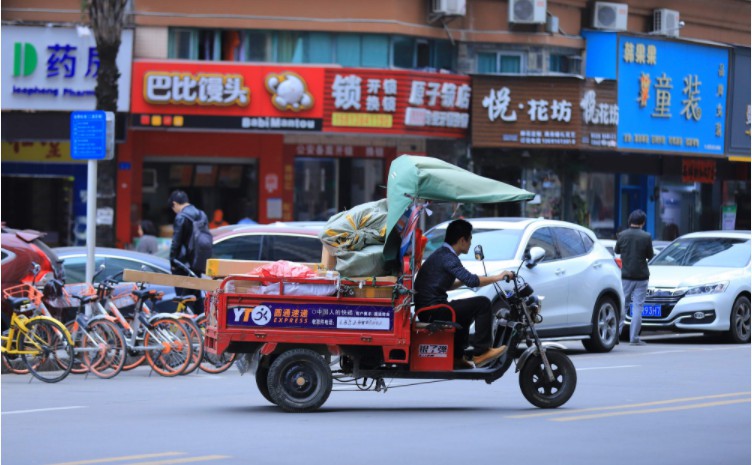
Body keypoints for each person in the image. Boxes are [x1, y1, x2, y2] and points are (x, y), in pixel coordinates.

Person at [413, 219, 515, 369]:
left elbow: (448, 285)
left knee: (465, 313)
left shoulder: (442, 254)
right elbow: (472, 281)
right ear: (462, 240)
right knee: (482, 303)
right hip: (433, 311)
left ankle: (456, 358)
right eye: (470, 239)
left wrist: (465, 280)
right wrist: (498, 277)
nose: (470, 243)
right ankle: (482, 352)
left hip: (431, 309)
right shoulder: (448, 257)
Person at [168, 190, 213, 312]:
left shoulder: (181, 217)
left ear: (175, 204)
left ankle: (183, 326)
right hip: (198, 262)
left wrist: (172, 262)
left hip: (183, 265)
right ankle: (200, 324)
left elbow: (176, 243)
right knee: (196, 297)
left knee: (182, 299)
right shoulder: (201, 214)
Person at [615, 209, 654, 346]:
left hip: (625, 276)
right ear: (643, 222)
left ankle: (615, 336)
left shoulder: (622, 235)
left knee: (622, 306)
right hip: (642, 276)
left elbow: (617, 251)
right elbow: (650, 255)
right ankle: (634, 338)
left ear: (629, 221)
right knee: (637, 307)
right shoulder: (646, 236)